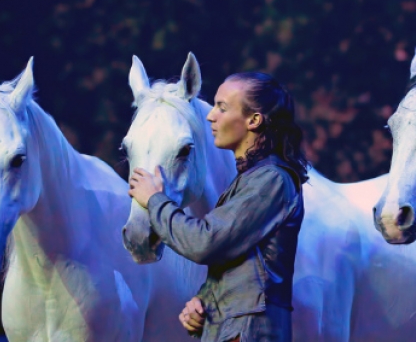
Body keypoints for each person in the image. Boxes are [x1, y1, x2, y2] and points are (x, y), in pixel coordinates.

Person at [128, 72, 309, 342]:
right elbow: (239, 266)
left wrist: (155, 200)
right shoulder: (251, 180)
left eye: (222, 107)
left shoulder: (271, 180)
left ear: (254, 120)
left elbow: (207, 242)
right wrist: (203, 304)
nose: (210, 116)